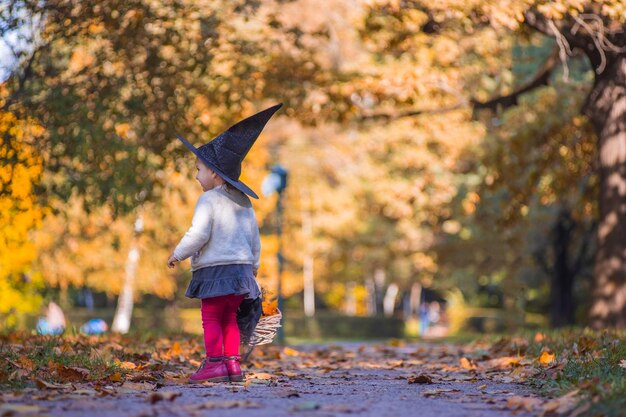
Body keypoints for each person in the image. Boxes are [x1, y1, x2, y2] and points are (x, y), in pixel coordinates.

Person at [168, 103, 282, 383]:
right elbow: (254, 238)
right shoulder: (243, 202)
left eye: (199, 170)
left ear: (215, 174)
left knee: (211, 317)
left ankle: (214, 363)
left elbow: (198, 234)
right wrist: (253, 268)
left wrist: (177, 254)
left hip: (216, 272)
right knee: (230, 318)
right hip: (242, 273)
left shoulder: (208, 199)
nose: (197, 176)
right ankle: (232, 365)